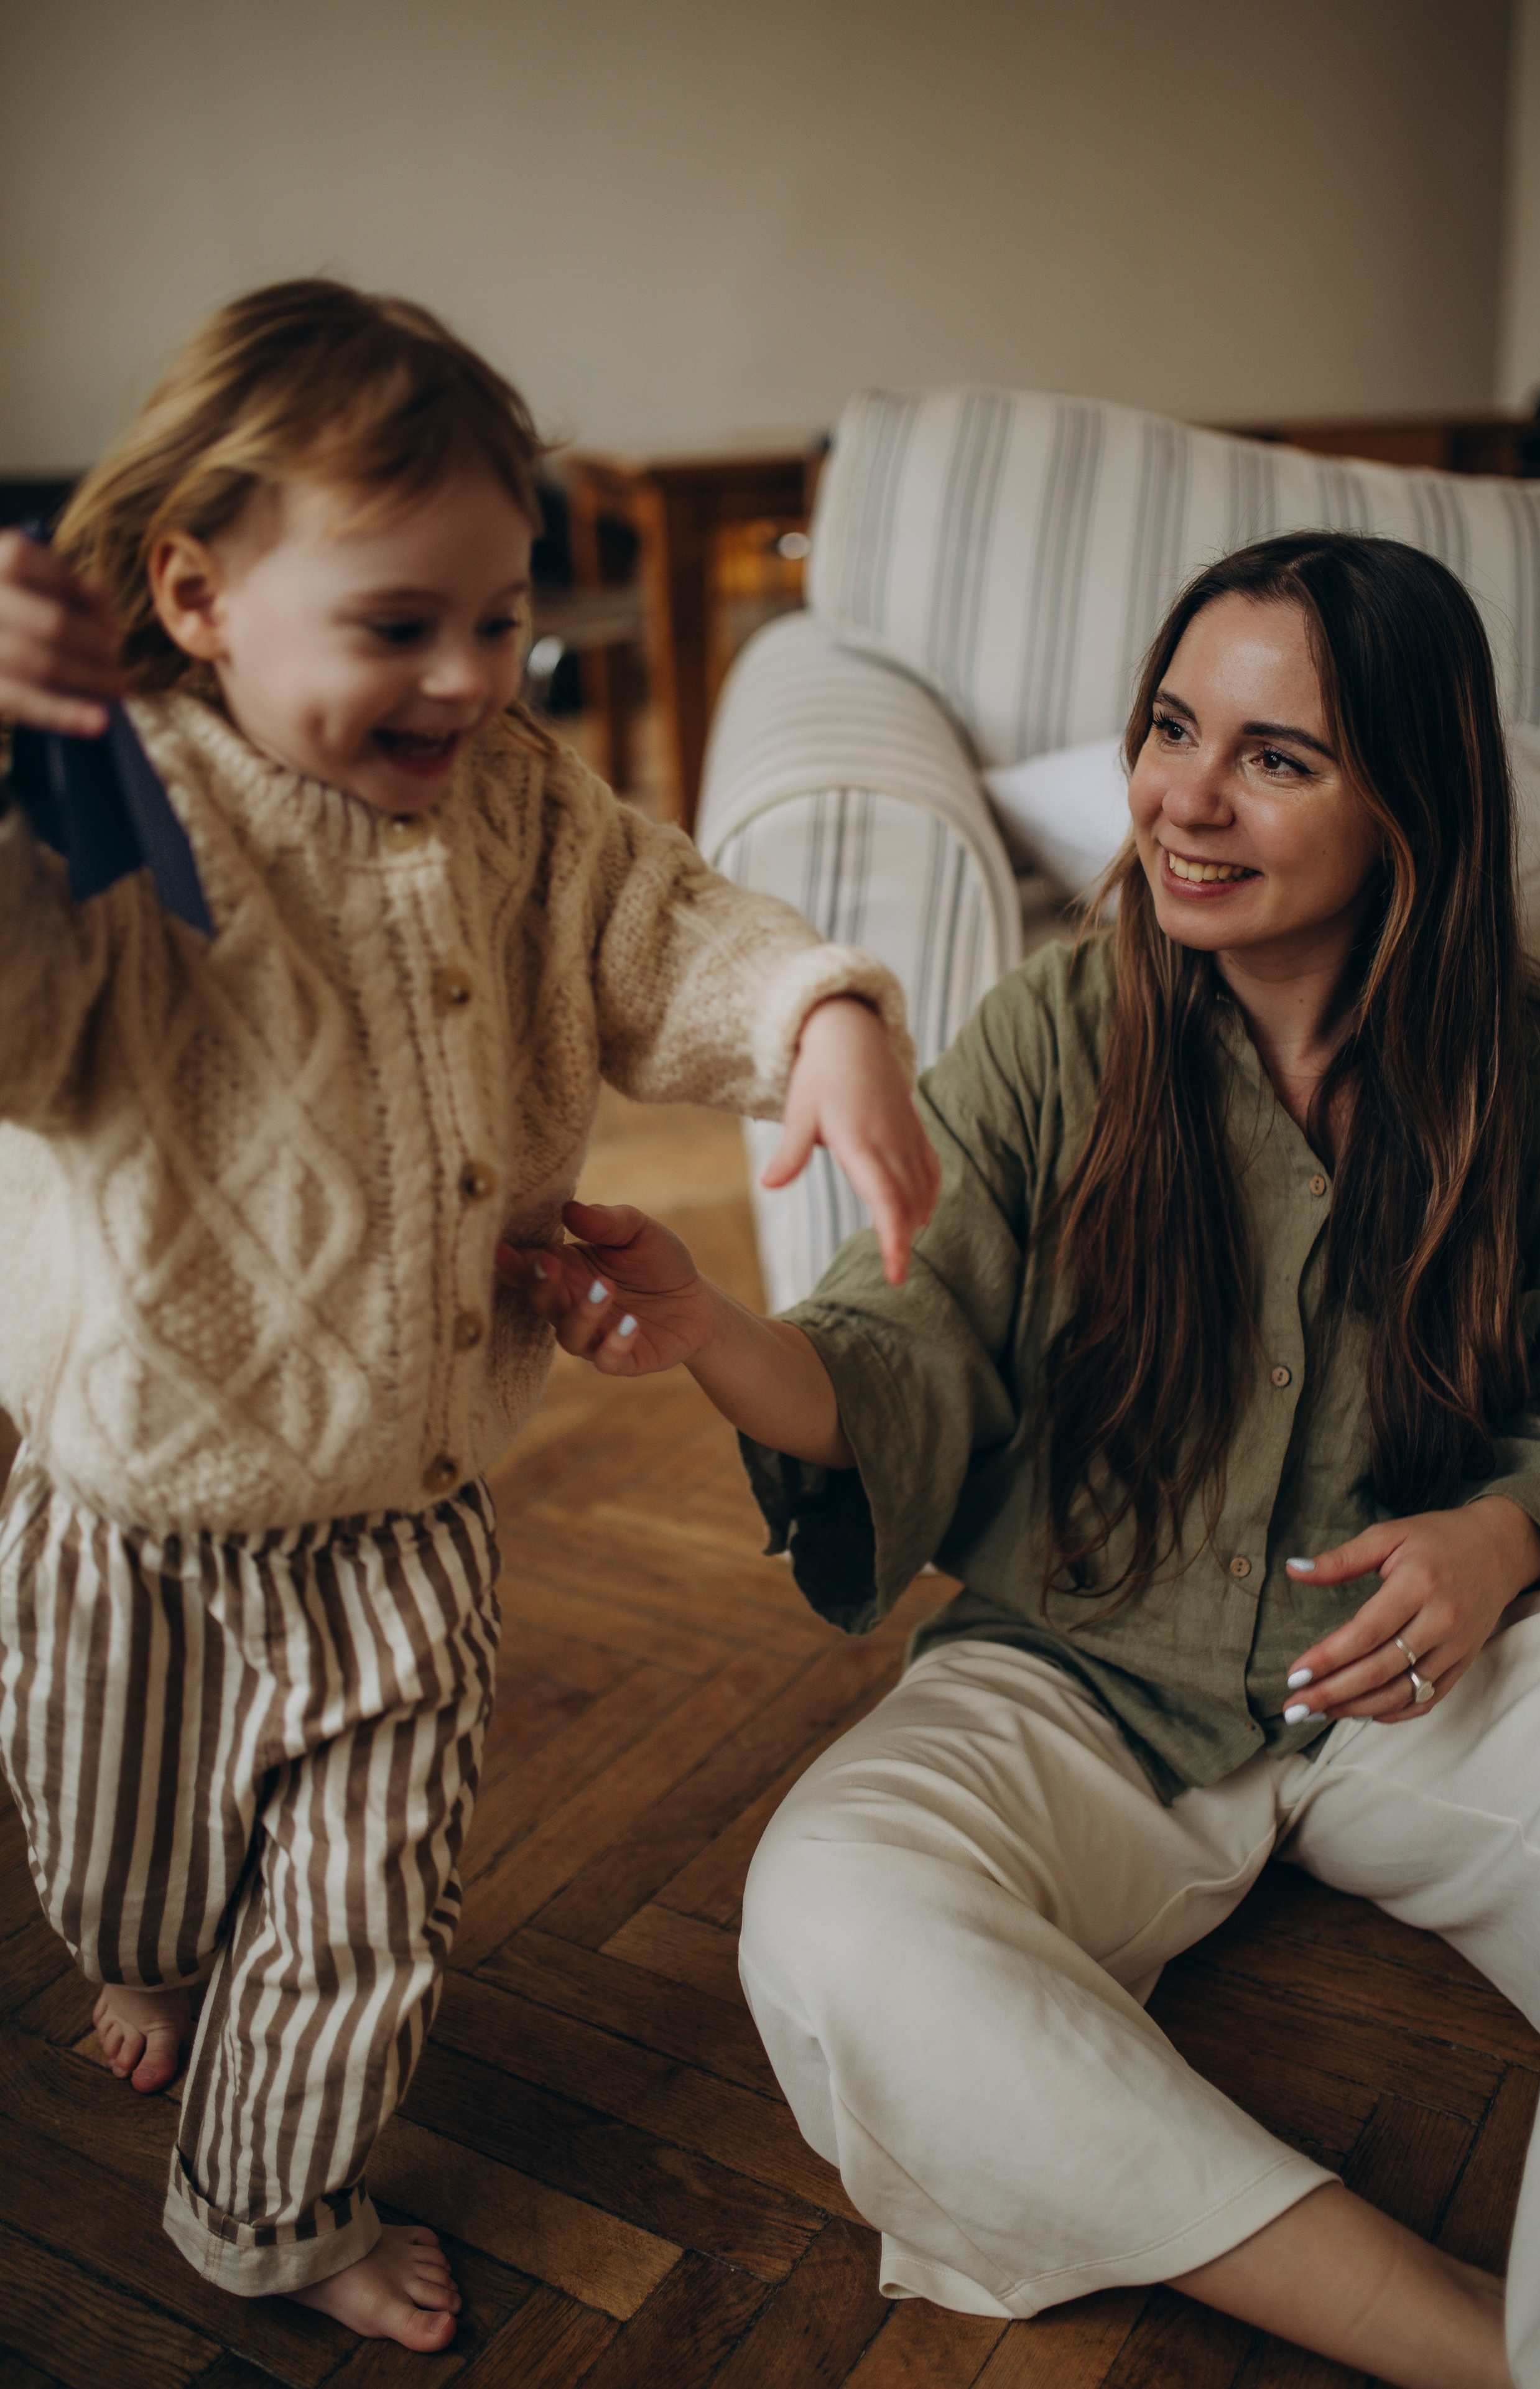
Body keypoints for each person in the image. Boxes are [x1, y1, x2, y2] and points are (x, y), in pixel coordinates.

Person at [507, 530, 1540, 2389]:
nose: (1186, 796)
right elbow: (894, 1351)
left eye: (1274, 755)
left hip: (1422, 1673)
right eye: (1171, 727)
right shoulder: (1049, 1034)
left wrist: (1502, 1531)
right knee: (838, 1919)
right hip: (1081, 1665)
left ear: (1410, 802)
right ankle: (1489, 2351)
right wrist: (712, 1334)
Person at [0, 278, 938, 2353]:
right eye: (398, 623)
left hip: (410, 1502)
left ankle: (268, 2197)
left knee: (365, 1908)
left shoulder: (522, 797)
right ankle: (146, 1963)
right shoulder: (114, 804)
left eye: (501, 618)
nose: (469, 675)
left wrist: (821, 1017)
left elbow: (668, 926)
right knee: (123, 1862)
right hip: (136, 1503)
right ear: (199, 592)